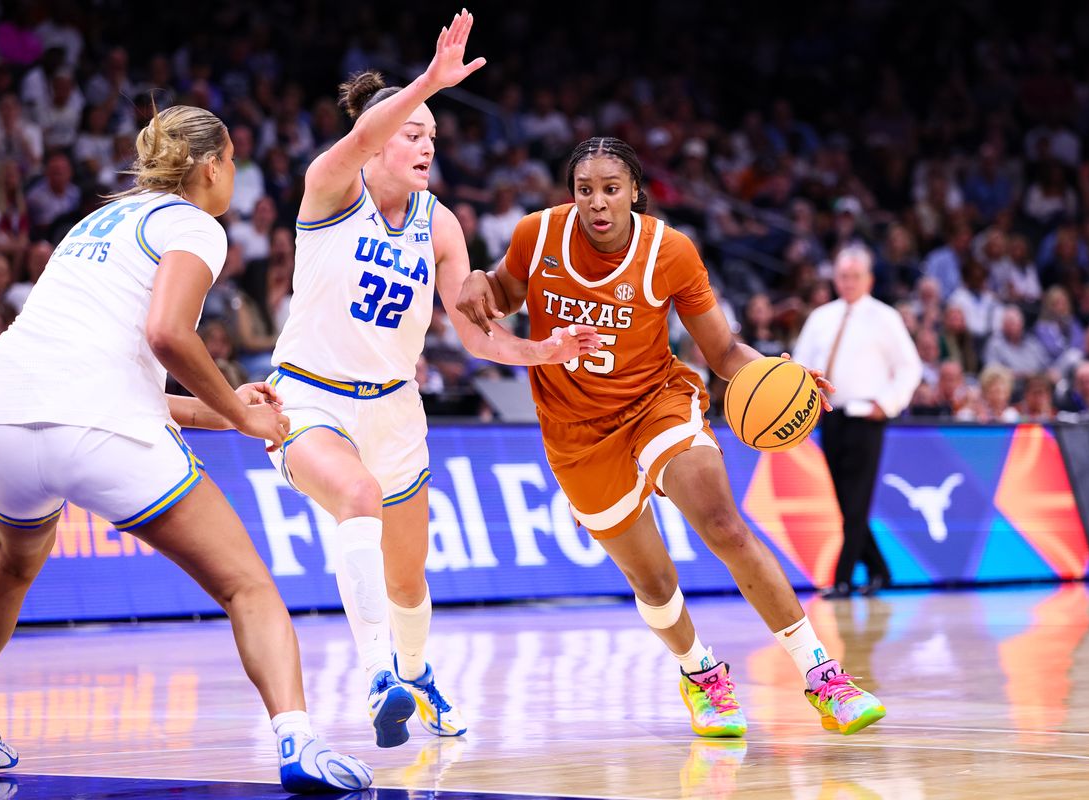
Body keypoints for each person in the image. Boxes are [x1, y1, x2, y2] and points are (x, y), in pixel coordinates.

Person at [0, 106, 370, 794]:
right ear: (210, 167)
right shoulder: (195, 224)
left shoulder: (96, 222)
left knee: (10, 562)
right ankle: (299, 740)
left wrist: (219, 414)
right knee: (248, 586)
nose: (235, 174)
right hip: (97, 430)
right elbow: (168, 335)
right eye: (232, 160)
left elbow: (100, 373)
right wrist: (246, 416)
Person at [458, 136, 886, 738]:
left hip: (655, 402)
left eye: (611, 189)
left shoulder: (670, 251)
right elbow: (502, 291)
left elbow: (722, 351)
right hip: (575, 431)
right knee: (652, 580)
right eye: (585, 190)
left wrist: (776, 375)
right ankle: (701, 674)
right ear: (571, 194)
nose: (598, 203)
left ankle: (824, 678)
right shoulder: (538, 235)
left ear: (636, 191)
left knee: (723, 525)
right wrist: (480, 280)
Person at [267, 10, 598, 750]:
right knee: (354, 495)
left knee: (409, 579)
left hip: (394, 410)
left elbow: (476, 337)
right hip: (309, 397)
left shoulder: (440, 224)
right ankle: (378, 674)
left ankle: (414, 677)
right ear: (380, 138)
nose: (425, 146)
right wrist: (427, 83)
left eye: (433, 138)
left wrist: (543, 351)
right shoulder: (328, 188)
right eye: (413, 133)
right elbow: (356, 139)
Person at [792, 245, 922, 598]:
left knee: (857, 499)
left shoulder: (885, 317)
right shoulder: (821, 317)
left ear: (870, 279)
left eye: (855, 276)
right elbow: (801, 364)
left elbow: (910, 367)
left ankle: (843, 578)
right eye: (842, 276)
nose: (848, 283)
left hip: (867, 416)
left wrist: (888, 402)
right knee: (846, 500)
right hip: (830, 417)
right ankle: (880, 570)